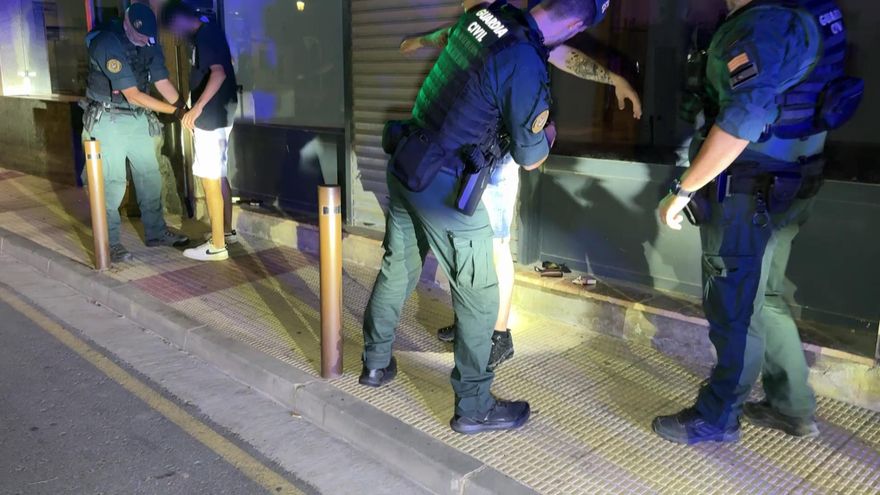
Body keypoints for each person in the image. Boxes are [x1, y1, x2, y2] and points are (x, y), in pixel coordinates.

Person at [360, 0, 610, 435]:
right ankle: (474, 406)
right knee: (479, 295)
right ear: (572, 25)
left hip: (409, 161)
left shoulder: (484, 16)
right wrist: (547, 132)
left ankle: (376, 365)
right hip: (446, 186)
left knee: (397, 269)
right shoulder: (525, 59)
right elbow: (531, 157)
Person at [653, 0, 862, 444]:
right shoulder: (812, 9)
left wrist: (683, 190)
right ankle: (792, 407)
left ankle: (717, 416)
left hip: (750, 188)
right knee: (765, 297)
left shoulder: (764, 25)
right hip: (794, 178)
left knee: (733, 309)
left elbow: (742, 119)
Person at [402, 0, 642, 370]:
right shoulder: (511, 23)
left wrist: (614, 80)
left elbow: (562, 56)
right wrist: (421, 41)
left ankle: (499, 336)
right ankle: (474, 319)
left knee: (495, 245)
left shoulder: (526, 31)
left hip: (496, 161)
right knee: (471, 244)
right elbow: (456, 33)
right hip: (470, 152)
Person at [83, 2, 190, 263]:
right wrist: (174, 113)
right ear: (128, 26)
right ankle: (110, 243)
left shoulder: (149, 41)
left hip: (138, 119)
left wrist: (186, 110)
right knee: (113, 184)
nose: (146, 43)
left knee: (150, 177)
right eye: (141, 38)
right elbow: (132, 95)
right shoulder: (108, 43)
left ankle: (156, 232)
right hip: (109, 120)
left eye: (148, 38)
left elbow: (161, 81)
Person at [162, 1, 239, 262]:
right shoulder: (211, 31)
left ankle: (217, 245)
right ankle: (225, 232)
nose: (175, 36)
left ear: (180, 21)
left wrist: (197, 109)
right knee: (218, 175)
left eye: (173, 29)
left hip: (211, 118)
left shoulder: (205, 36)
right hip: (220, 115)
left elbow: (218, 74)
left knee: (210, 179)